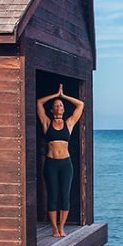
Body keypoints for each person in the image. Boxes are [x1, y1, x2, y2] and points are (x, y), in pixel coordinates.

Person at [36, 84, 84, 237]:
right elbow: (39, 103)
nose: (59, 106)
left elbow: (80, 104)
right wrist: (55, 94)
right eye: (56, 105)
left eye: (61, 105)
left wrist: (63, 96)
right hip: (51, 163)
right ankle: (54, 229)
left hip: (66, 164)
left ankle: (61, 228)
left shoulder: (69, 123)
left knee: (65, 195)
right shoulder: (47, 123)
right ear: (52, 110)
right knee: (53, 195)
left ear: (64, 109)